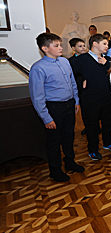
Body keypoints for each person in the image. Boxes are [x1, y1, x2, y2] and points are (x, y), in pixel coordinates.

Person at [29, 33, 84, 182]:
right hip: (54, 107)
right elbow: (37, 96)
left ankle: (70, 161)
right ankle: (55, 169)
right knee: (54, 140)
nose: (61, 48)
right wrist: (46, 117)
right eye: (56, 45)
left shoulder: (65, 62)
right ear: (45, 48)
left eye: (60, 44)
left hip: (69, 104)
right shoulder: (38, 68)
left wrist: (76, 101)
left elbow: (72, 83)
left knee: (69, 135)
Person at [71, 34, 111, 161]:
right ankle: (93, 150)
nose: (107, 46)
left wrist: (107, 64)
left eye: (107, 44)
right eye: (104, 43)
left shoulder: (107, 59)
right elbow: (72, 76)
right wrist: (81, 82)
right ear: (95, 44)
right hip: (90, 99)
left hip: (108, 97)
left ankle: (108, 142)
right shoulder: (81, 59)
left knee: (108, 122)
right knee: (92, 126)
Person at [68, 37, 88, 135]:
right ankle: (87, 126)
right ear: (73, 48)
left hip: (90, 86)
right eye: (80, 46)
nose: (83, 48)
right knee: (84, 108)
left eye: (84, 46)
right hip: (79, 87)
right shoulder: (71, 61)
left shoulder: (89, 58)